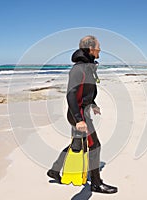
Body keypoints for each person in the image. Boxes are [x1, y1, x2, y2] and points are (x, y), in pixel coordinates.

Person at [47, 35, 118, 194]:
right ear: (91, 49)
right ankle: (96, 183)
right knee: (94, 146)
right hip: (78, 114)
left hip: (82, 112)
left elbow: (85, 92)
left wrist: (92, 104)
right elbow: (71, 95)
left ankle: (54, 170)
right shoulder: (79, 69)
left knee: (78, 145)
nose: (100, 49)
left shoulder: (87, 67)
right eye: (98, 46)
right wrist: (79, 120)